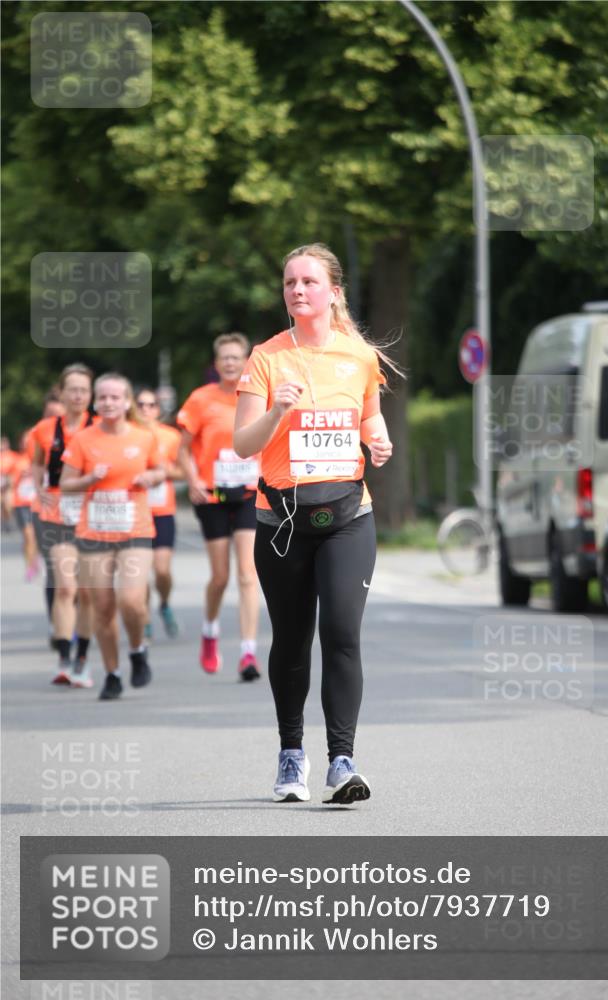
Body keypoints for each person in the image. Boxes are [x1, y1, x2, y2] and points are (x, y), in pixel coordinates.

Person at [234, 242, 395, 805]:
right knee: (294, 639)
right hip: (281, 522)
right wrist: (276, 410)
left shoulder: (359, 357)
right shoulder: (266, 358)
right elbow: (243, 442)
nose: (297, 290)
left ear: (332, 291)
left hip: (349, 516)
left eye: (307, 282)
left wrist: (378, 441)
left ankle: (343, 760)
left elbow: (370, 421)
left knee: (343, 633)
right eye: (289, 283)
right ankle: (291, 753)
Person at [60, 373, 165, 701]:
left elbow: (161, 470)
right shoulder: (83, 439)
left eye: (114, 397)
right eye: (102, 397)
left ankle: (137, 649)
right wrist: (90, 477)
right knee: (102, 607)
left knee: (132, 600)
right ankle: (113, 673)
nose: (107, 403)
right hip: (95, 532)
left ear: (126, 402)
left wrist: (150, 476)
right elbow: (65, 483)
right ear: (96, 401)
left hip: (135, 529)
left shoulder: (143, 436)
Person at [177, 333, 261, 681]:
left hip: (248, 490)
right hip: (212, 494)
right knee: (220, 577)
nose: (230, 363)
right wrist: (192, 478)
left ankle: (248, 653)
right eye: (224, 358)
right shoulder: (200, 399)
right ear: (216, 363)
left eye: (236, 357)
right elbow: (183, 448)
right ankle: (210, 631)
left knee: (247, 573)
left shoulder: (256, 396)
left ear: (246, 361)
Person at [31, 365, 95, 686]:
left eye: (84, 390)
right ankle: (64, 655)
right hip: (56, 515)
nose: (78, 395)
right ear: (63, 392)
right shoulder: (45, 429)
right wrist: (38, 489)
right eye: (72, 389)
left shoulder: (99, 428)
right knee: (65, 585)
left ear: (91, 394)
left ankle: (83, 656)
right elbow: (37, 463)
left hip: (94, 518)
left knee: (87, 591)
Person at [135, 388, 183, 639]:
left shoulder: (171, 436)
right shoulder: (128, 435)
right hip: (135, 512)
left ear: (158, 408)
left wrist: (163, 473)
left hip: (163, 511)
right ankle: (143, 617)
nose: (146, 409)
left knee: (162, 570)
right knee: (140, 572)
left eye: (151, 404)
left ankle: (163, 603)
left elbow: (184, 472)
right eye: (141, 404)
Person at [30, 391, 65, 642]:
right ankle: (57, 623)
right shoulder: (39, 433)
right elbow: (34, 465)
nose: (54, 419)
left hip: (78, 511)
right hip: (45, 511)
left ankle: (73, 617)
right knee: (55, 570)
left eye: (57, 414)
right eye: (49, 414)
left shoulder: (84, 433)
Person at [11, 431, 39, 581]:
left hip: (37, 503)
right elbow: (9, 483)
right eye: (24, 441)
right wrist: (21, 475)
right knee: (28, 536)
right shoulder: (16, 460)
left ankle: (34, 560)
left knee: (35, 536)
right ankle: (29, 565)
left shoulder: (40, 460)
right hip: (21, 503)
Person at [1, 436, 19, 531]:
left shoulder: (14, 456)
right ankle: (4, 523)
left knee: (8, 505)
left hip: (9, 484)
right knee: (2, 506)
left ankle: (8, 521)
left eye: (4, 443)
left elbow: (16, 470)